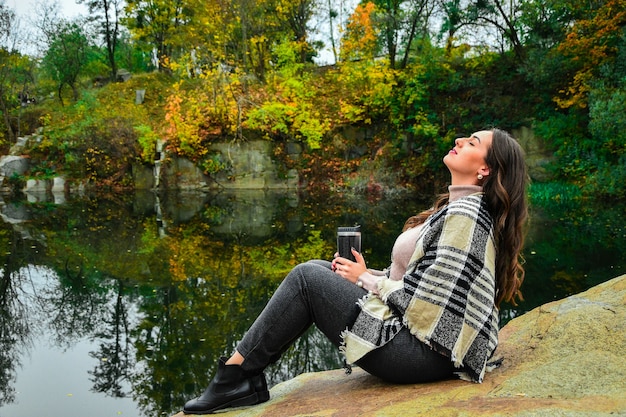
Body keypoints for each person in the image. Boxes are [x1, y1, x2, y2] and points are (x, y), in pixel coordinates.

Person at [182, 128, 528, 414]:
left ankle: (234, 379)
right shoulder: (458, 208)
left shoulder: (467, 217)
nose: (459, 141)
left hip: (422, 355)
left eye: (472, 143)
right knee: (321, 270)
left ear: (485, 169)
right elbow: (422, 284)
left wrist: (365, 278)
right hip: (423, 348)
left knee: (307, 277)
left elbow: (432, 311)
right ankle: (242, 378)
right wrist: (363, 274)